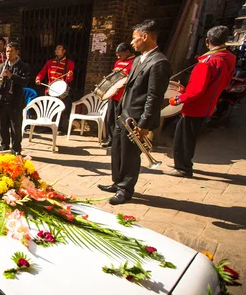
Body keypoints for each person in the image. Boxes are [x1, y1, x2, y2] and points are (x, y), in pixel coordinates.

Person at [98, 20, 171, 205]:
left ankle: (125, 189)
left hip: (137, 118)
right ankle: (117, 182)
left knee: (130, 156)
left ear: (145, 37)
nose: (132, 43)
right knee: (117, 151)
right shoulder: (139, 59)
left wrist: (144, 124)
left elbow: (154, 97)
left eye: (135, 38)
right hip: (124, 113)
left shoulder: (159, 62)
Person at [165, 26, 236, 177]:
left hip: (194, 107)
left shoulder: (207, 61)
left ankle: (183, 168)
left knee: (184, 139)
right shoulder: (229, 58)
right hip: (208, 104)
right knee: (187, 136)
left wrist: (178, 99)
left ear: (207, 41)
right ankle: (182, 163)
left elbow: (197, 90)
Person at [0, 41, 31, 154]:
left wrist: (11, 76)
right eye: (7, 51)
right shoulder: (2, 66)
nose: (8, 54)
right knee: (2, 127)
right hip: (2, 101)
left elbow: (25, 82)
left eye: (11, 51)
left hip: (15, 102)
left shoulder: (24, 66)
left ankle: (16, 150)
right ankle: (5, 148)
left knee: (16, 128)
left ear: (17, 52)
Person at [101, 43, 136, 148]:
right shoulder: (118, 62)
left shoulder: (134, 63)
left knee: (118, 119)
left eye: (120, 55)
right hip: (113, 94)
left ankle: (118, 141)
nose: (118, 57)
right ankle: (111, 139)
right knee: (110, 119)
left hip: (123, 96)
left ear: (127, 52)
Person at [35, 44, 75, 131]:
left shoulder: (70, 63)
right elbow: (42, 72)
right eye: (56, 49)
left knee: (59, 108)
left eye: (59, 49)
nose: (56, 50)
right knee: (48, 107)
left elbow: (70, 79)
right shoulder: (50, 62)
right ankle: (47, 126)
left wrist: (69, 76)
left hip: (60, 89)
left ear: (64, 51)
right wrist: (38, 78)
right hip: (50, 88)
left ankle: (58, 127)